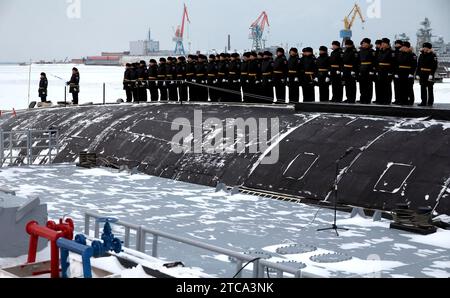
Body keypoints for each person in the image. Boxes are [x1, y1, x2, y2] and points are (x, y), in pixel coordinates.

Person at [395, 41, 417, 106]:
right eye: (403, 46)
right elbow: (396, 64)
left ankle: (411, 100)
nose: (403, 48)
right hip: (400, 72)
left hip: (408, 72)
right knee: (401, 87)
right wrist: (396, 72)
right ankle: (403, 100)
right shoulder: (399, 54)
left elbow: (414, 65)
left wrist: (411, 73)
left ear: (408, 47)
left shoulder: (412, 55)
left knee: (409, 87)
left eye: (405, 47)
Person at [417, 42, 438, 107]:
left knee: (430, 88)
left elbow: (434, 66)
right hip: (422, 74)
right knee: (422, 88)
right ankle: (423, 102)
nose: (425, 49)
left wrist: (431, 74)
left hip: (429, 74)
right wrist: (418, 74)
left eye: (426, 47)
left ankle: (430, 102)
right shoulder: (421, 55)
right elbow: (419, 65)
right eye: (424, 47)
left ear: (429, 48)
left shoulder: (433, 55)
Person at [375, 38, 395, 105]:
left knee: (387, 86)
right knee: (381, 85)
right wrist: (377, 70)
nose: (382, 44)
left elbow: (393, 62)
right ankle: (381, 99)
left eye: (384, 43)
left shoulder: (391, 52)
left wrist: (390, 71)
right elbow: (378, 61)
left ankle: (387, 100)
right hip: (380, 70)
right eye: (382, 43)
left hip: (387, 70)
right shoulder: (380, 51)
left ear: (387, 44)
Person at [358, 38, 376, 104]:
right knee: (362, 85)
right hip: (362, 69)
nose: (363, 44)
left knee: (368, 85)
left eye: (365, 43)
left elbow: (374, 61)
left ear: (368, 44)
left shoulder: (372, 51)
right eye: (363, 43)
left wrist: (372, 70)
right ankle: (362, 98)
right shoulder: (360, 51)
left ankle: (368, 99)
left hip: (368, 69)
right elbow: (358, 61)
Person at [393, 40, 404, 104]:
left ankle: (401, 99)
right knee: (396, 86)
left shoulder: (401, 52)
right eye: (396, 43)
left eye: (397, 44)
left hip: (401, 71)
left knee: (401, 87)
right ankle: (397, 99)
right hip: (395, 71)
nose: (396, 45)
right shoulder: (394, 52)